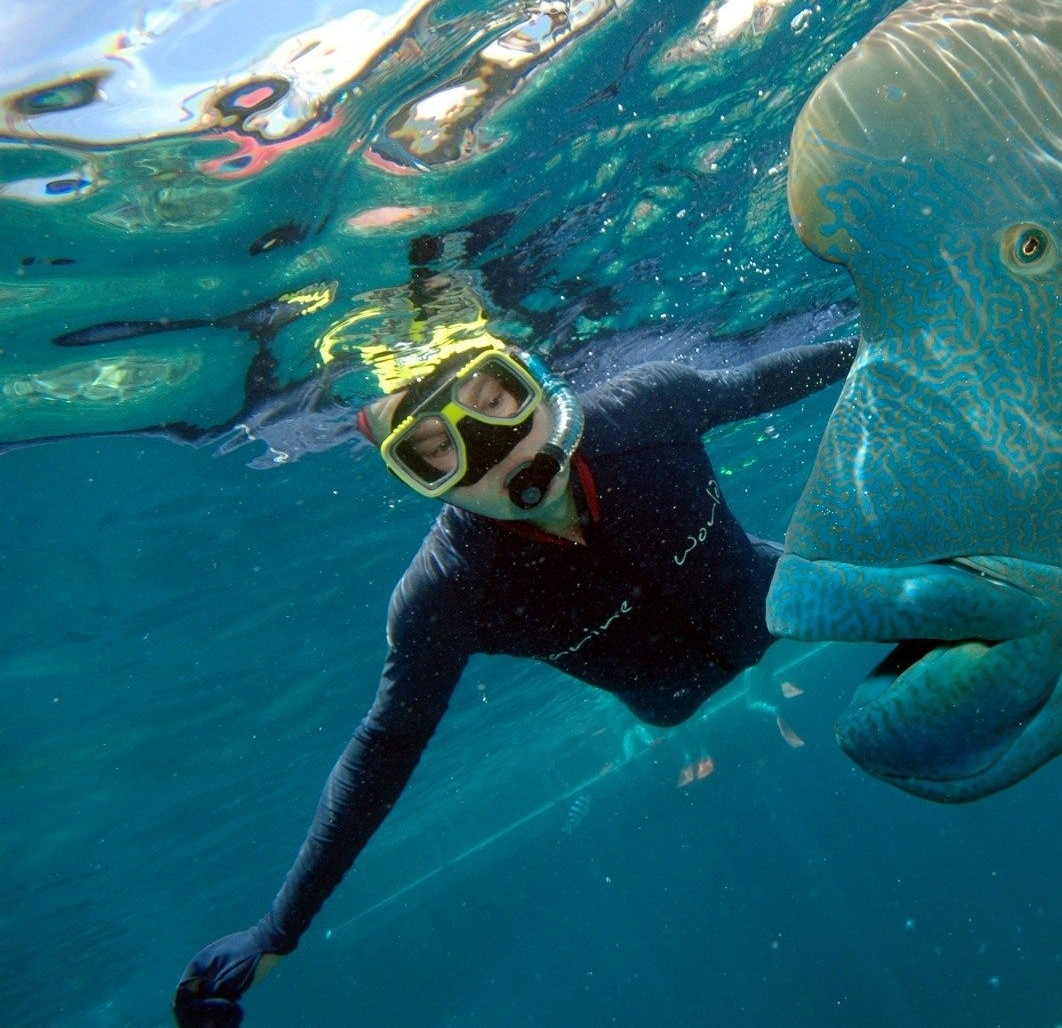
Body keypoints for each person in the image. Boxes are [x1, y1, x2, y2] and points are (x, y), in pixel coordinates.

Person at [172, 330, 857, 1027]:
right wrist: (277, 928)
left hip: (778, 600)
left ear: (535, 381)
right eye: (437, 450)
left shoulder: (648, 410)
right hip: (674, 697)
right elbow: (386, 744)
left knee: (917, 585)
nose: (498, 454)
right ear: (414, 478)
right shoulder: (449, 592)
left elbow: (797, 371)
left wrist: (932, 324)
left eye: (495, 401)